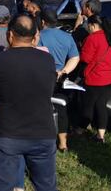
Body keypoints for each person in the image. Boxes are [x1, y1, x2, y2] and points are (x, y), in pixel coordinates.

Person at [0, 15, 57, 191]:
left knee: (4, 185)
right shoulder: (47, 60)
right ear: (35, 36)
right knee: (46, 185)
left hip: (8, 131)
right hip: (42, 131)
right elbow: (49, 89)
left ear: (9, 35)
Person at [38, 9, 80, 151]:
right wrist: (64, 71)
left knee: (42, 109)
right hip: (60, 79)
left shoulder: (38, 36)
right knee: (61, 109)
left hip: (42, 78)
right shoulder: (67, 37)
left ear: (43, 21)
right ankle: (63, 143)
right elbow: (75, 57)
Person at [79, 15, 111, 143]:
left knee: (88, 105)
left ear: (93, 25)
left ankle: (81, 128)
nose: (88, 28)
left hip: (94, 78)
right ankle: (101, 136)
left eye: (88, 26)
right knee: (102, 106)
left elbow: (85, 58)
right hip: (109, 78)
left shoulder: (92, 38)